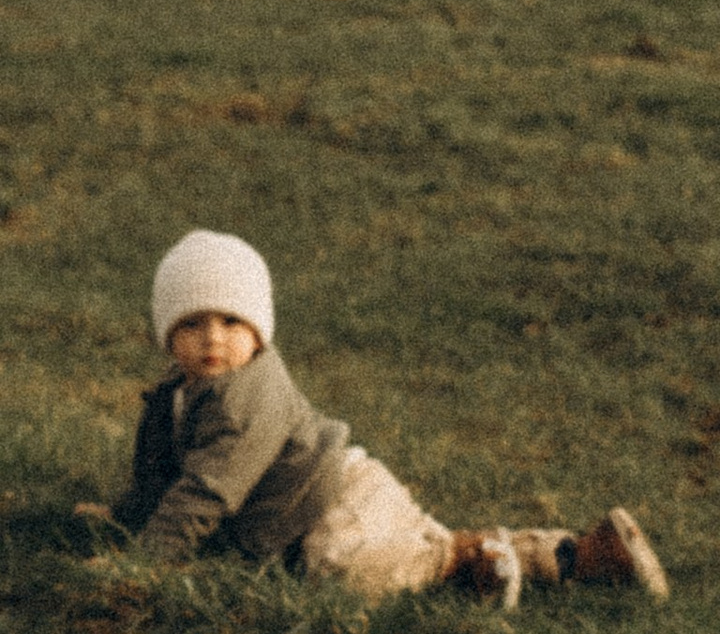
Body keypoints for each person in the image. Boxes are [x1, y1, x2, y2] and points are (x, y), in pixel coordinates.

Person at [109, 230, 671, 610]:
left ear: (259, 331)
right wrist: (127, 514)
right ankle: (580, 556)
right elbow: (163, 474)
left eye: (232, 321)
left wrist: (146, 564)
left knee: (362, 573)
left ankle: (484, 562)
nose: (213, 338)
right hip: (313, 509)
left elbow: (210, 489)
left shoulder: (247, 398)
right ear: (166, 335)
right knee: (415, 552)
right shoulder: (180, 394)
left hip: (333, 506)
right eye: (193, 324)